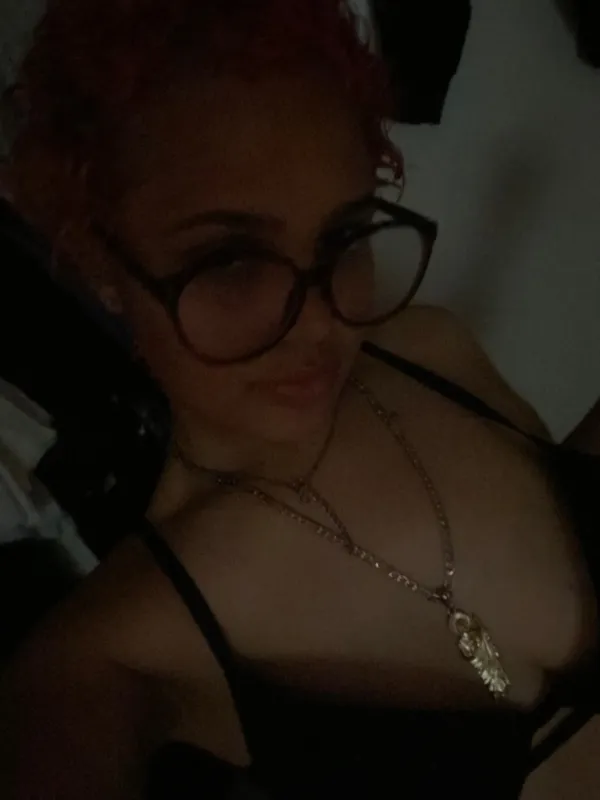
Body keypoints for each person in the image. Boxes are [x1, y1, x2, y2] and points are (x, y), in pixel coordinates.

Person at [2, 1, 599, 798]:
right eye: (231, 260)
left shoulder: (432, 350)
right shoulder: (114, 653)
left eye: (344, 236)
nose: (321, 323)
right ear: (102, 268)